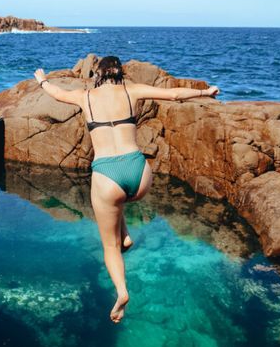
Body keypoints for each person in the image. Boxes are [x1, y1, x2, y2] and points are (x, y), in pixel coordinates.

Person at [34, 56, 219, 324]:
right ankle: (127, 235)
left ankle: (121, 292)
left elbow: (57, 93)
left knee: (110, 246)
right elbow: (175, 94)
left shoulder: (85, 96)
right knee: (120, 208)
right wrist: (206, 91)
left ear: (97, 74)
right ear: (120, 73)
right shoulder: (132, 90)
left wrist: (42, 80)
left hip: (107, 175)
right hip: (139, 173)